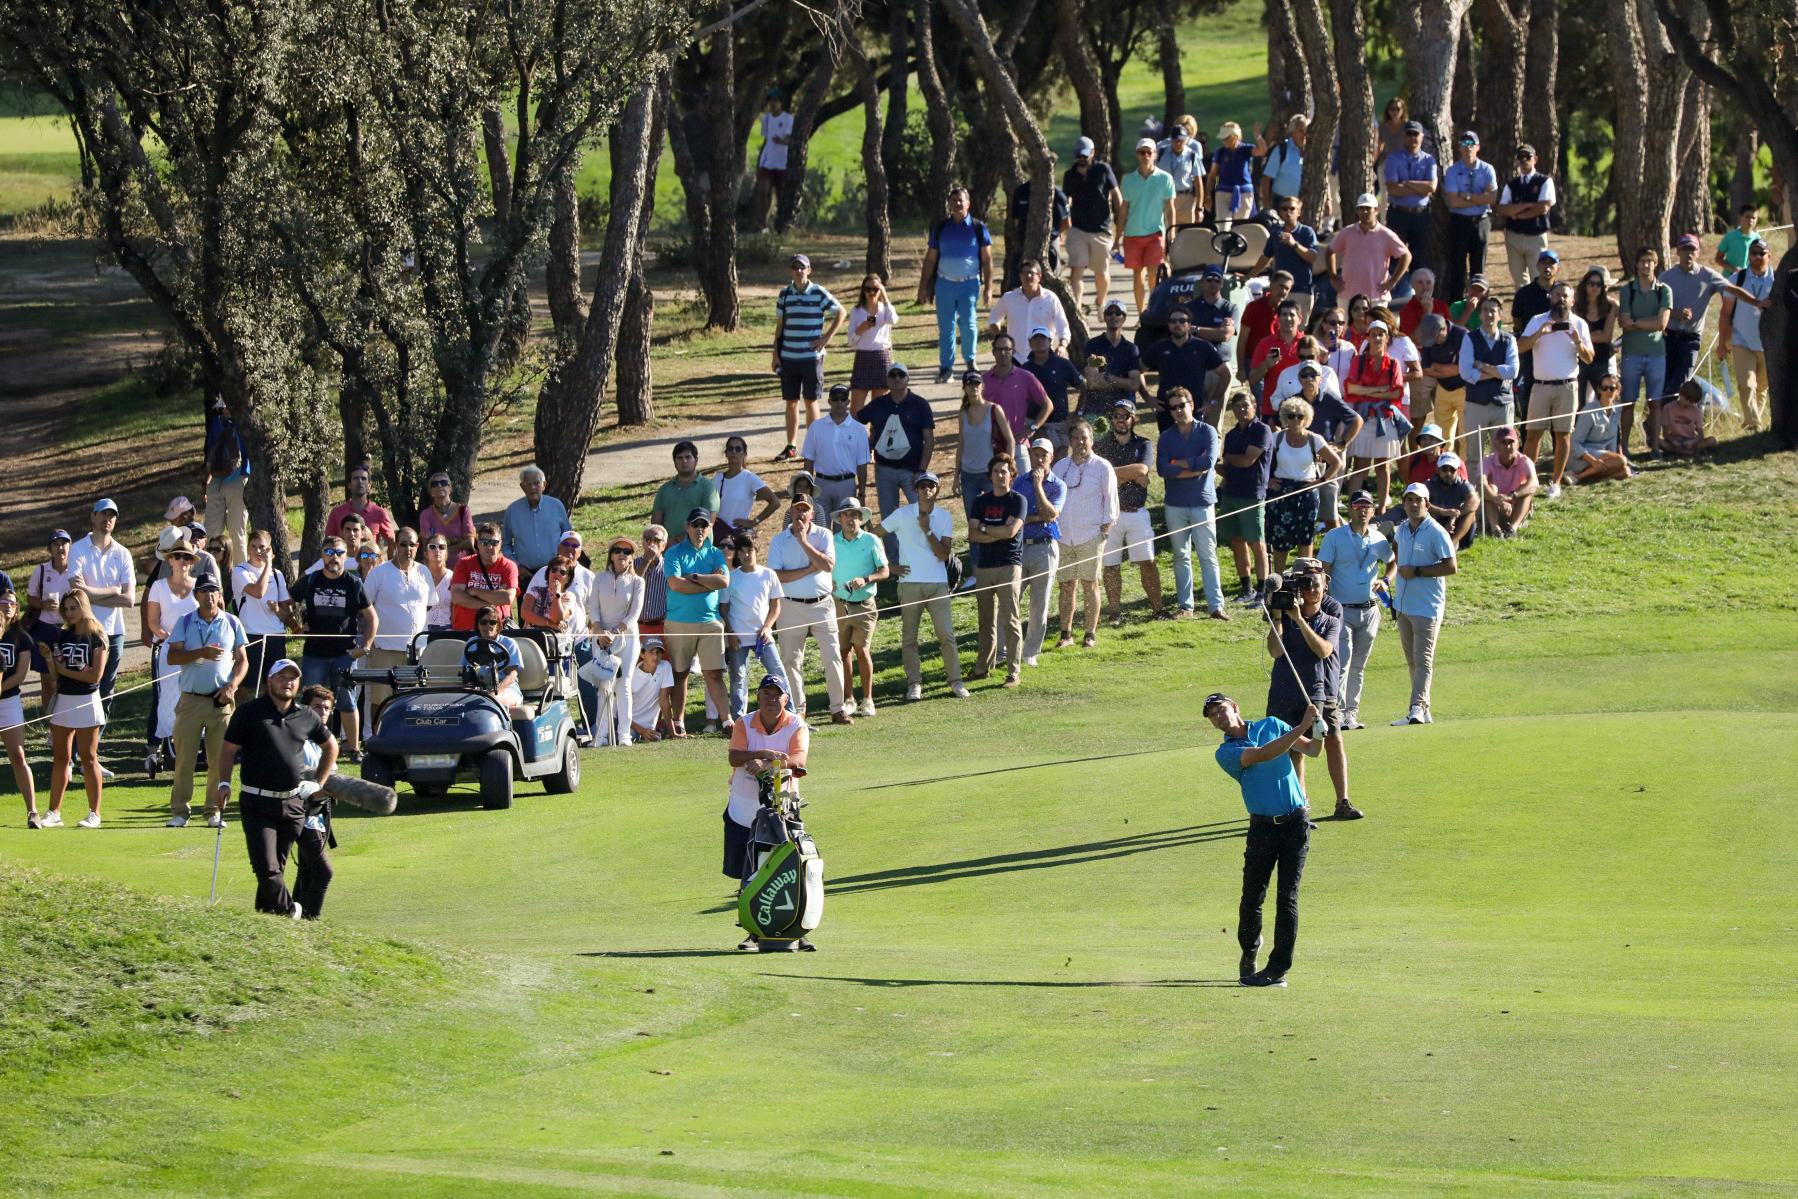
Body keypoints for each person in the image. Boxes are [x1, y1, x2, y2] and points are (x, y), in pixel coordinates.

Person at [1203, 691, 1320, 988]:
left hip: (1295, 824)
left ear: (1234, 707)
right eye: (1212, 715)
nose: (1217, 717)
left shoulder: (1272, 724)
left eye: (1220, 709)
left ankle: (1277, 969)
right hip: (1262, 830)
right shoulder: (1225, 753)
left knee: (1287, 898)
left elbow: (1313, 751)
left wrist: (1319, 730)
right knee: (1252, 898)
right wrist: (1303, 726)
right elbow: (1265, 754)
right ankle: (1250, 950)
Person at [216, 657, 336, 918]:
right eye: (281, 677)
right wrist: (223, 783)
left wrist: (318, 783)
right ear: (269, 680)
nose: (287, 682)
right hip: (256, 802)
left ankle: (267, 915)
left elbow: (331, 747)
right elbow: (227, 751)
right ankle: (289, 910)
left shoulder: (305, 715)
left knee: (276, 868)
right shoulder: (249, 712)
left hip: (293, 804)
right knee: (266, 867)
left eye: (292, 678)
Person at [724, 674, 812, 950]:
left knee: (789, 869)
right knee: (747, 872)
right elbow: (734, 757)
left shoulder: (797, 725)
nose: (772, 700)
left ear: (786, 699)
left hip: (783, 809)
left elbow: (798, 760)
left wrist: (768, 762)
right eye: (766, 695)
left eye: (777, 695)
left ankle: (796, 930)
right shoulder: (745, 723)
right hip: (743, 808)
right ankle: (752, 931)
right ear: (758, 697)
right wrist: (760, 754)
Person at [1264, 567, 1360, 819]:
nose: (1310, 589)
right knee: (1294, 750)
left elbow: (1324, 650)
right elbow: (1274, 651)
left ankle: (1342, 801)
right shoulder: (1283, 617)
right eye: (1305, 584)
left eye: (1315, 584)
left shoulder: (1330, 618)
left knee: (1331, 740)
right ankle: (1300, 808)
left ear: (1325, 586)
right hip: (1285, 690)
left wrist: (1299, 621)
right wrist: (1277, 616)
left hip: (1318, 691)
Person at [162, 574, 248, 828]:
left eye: (214, 591)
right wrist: (202, 653)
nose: (209, 595)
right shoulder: (185, 621)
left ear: (220, 595)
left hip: (220, 701)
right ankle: (179, 811)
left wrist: (232, 686)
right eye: (204, 591)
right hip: (190, 700)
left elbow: (243, 660)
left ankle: (213, 811)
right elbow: (172, 658)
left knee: (219, 760)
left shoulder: (232, 622)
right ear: (196, 595)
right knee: (184, 759)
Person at [881, 472, 966, 700]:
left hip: (937, 584)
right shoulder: (902, 514)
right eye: (921, 486)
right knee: (909, 638)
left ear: (937, 490)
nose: (926, 490)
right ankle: (914, 684)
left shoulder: (945, 517)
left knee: (946, 635)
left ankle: (956, 681)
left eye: (931, 486)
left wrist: (927, 529)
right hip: (909, 584)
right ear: (916, 490)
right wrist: (888, 566)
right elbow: (872, 536)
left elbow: (943, 554)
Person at [767, 498, 852, 725]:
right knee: (791, 661)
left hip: (822, 605)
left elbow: (827, 566)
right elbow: (776, 576)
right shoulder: (779, 540)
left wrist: (804, 542)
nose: (801, 515)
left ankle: (838, 708)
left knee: (833, 657)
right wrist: (808, 568)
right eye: (797, 510)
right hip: (790, 605)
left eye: (805, 511)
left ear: (812, 514)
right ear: (791, 512)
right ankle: (798, 710)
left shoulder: (823, 535)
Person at [289, 536, 375, 759]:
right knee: (309, 702)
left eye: (338, 552)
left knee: (347, 701)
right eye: (329, 552)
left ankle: (353, 749)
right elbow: (285, 602)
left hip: (345, 654)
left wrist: (364, 646)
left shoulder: (354, 583)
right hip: (314, 654)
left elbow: (372, 618)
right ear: (322, 555)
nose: (334, 557)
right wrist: (296, 626)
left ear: (346, 556)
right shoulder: (310, 580)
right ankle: (307, 747)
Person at [1316, 489, 1392, 733]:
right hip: (1342, 611)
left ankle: (1351, 714)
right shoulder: (1334, 536)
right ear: (1350, 509)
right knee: (1344, 662)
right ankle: (1335, 713)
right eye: (1358, 506)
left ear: (1372, 510)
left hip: (1370, 610)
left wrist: (1386, 581)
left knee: (1359, 665)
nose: (1362, 510)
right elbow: (1323, 570)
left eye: (1367, 506)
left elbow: (1393, 562)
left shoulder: (1379, 538)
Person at [38, 590, 110, 828]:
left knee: (89, 759)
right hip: (64, 700)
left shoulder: (98, 636)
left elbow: (94, 676)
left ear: (84, 607)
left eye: (73, 608)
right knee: (61, 758)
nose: (69, 613)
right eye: (66, 609)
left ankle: (94, 814)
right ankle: (54, 812)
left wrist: (64, 670)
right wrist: (49, 659)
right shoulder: (63, 635)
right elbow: (55, 675)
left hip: (87, 701)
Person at [1662, 233, 1766, 396]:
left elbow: (1733, 290)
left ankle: (1668, 417)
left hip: (1691, 339)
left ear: (1698, 253)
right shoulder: (1666, 277)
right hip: (1667, 336)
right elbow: (1655, 306)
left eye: (1692, 250)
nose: (1688, 254)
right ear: (1677, 252)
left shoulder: (1708, 276)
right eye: (1684, 250)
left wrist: (1757, 302)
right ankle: (1656, 418)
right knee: (1663, 382)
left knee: (1679, 383)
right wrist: (1675, 313)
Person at [1518, 280, 1594, 498]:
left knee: (1563, 436)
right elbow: (1520, 346)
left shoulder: (1579, 324)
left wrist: (1578, 342)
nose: (1561, 299)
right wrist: (1539, 334)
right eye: (1557, 294)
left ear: (1572, 300)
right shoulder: (1537, 320)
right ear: (1550, 297)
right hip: (1540, 386)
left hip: (1567, 386)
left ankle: (1555, 482)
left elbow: (1589, 359)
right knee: (1532, 435)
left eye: (1565, 295)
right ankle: (1527, 481)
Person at [1391, 482, 1458, 725]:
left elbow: (1451, 566)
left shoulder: (1436, 532)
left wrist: (1417, 571)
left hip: (1427, 607)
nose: (1413, 504)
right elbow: (1396, 551)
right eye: (1409, 500)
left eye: (1418, 500)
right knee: (1412, 661)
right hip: (1404, 606)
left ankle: (1416, 707)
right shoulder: (1402, 530)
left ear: (1427, 504)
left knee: (1423, 659)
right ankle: (1423, 708)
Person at [1156, 387, 1226, 619]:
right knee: (1180, 555)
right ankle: (1186, 606)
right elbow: (1163, 469)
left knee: (1207, 554)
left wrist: (1179, 465)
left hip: (1202, 502)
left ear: (1191, 404)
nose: (1177, 411)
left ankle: (1216, 606)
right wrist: (1192, 467)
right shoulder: (1166, 436)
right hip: (1175, 504)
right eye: (1173, 407)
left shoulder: (1207, 431)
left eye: (1181, 405)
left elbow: (1208, 461)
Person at [1096, 399, 1166, 624]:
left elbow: (1143, 470)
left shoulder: (1144, 444)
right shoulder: (1100, 445)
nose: (1120, 419)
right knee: (1110, 566)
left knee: (1148, 563)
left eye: (1125, 415)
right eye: (1116, 415)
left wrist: (1111, 474)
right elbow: (1100, 477)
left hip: (1137, 513)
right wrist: (1132, 475)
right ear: (1111, 419)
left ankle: (1158, 610)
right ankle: (1115, 613)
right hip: (1109, 514)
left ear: (1133, 419)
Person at [662, 509, 731, 736]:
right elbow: (675, 584)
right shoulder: (674, 553)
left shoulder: (715, 553)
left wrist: (696, 577)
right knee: (680, 673)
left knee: (714, 674)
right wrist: (708, 581)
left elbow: (724, 581)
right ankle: (679, 720)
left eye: (704, 525)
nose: (700, 529)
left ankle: (727, 720)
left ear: (709, 528)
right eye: (695, 525)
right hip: (679, 621)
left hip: (710, 621)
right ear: (687, 527)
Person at [772, 253, 847, 462]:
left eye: (802, 267)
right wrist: (775, 354)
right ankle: (791, 446)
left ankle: (815, 446)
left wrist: (826, 338)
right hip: (788, 357)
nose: (798, 271)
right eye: (795, 267)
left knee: (811, 400)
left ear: (809, 270)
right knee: (791, 401)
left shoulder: (818, 292)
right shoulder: (784, 294)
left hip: (811, 357)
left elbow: (841, 312)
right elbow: (780, 327)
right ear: (791, 270)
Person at [68, 499, 133, 731]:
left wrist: (92, 593)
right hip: (85, 630)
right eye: (103, 514)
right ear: (93, 516)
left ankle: (93, 753)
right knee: (82, 691)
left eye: (112, 515)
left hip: (114, 633)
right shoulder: (77, 548)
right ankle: (75, 751)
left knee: (106, 692)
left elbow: (129, 599)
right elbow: (77, 594)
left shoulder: (123, 553)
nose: (108, 519)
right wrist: (113, 590)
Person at [917, 186, 994, 384]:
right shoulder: (941, 228)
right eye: (954, 201)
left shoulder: (978, 227)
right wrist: (923, 286)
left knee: (968, 325)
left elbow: (987, 260)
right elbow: (930, 259)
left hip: (969, 285)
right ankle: (946, 368)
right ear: (949, 205)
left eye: (961, 200)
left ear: (968, 203)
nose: (957, 204)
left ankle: (970, 362)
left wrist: (989, 288)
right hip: (944, 284)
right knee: (946, 328)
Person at [855, 364, 935, 551]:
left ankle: (929, 552)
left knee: (923, 512)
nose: (897, 378)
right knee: (888, 519)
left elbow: (929, 440)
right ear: (887, 380)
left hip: (912, 471)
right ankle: (893, 562)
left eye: (901, 375)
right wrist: (868, 444)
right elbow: (856, 422)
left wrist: (922, 471)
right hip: (884, 470)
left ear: (908, 379)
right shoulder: (879, 404)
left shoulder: (920, 404)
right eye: (893, 375)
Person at [142, 532, 201, 780]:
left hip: (195, 651)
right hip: (167, 651)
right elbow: (153, 622)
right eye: (178, 557)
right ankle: (163, 746)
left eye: (187, 558)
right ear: (170, 560)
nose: (183, 561)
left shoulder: (199, 586)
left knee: (194, 696)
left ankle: (193, 749)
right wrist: (171, 640)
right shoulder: (158, 586)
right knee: (166, 699)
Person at [1266, 397, 1342, 573]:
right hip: (1281, 492)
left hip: (1307, 492)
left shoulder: (1314, 439)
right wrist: (1268, 481)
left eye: (1300, 416)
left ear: (1306, 417)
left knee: (1305, 538)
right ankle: (1278, 581)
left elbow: (1336, 462)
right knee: (1280, 540)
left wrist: (1320, 482)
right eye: (1291, 416)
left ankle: (1304, 579)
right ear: (1284, 417)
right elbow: (1261, 463)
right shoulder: (1276, 438)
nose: (1295, 420)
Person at [969, 454, 1026, 687]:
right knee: (985, 621)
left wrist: (985, 529)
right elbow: (972, 535)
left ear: (1011, 475)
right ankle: (983, 667)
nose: (1000, 475)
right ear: (990, 475)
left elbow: (1010, 532)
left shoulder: (1017, 500)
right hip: (984, 566)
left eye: (1004, 471)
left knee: (1010, 619)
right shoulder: (980, 502)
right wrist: (994, 530)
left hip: (1008, 564)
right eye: (996, 471)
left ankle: (1013, 672)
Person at [361, 529, 431, 717]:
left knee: (412, 700)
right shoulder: (379, 573)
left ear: (418, 546)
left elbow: (430, 604)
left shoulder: (424, 571)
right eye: (403, 544)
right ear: (395, 546)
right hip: (384, 648)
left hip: (416, 650)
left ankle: (408, 742)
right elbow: (364, 607)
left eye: (412, 544)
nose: (408, 548)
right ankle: (378, 742)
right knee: (381, 700)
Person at [1217, 391, 1276, 605]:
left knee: (1256, 543)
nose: (1242, 409)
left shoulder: (1262, 430)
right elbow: (1227, 467)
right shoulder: (1232, 435)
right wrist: (1216, 464)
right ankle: (1246, 588)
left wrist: (1229, 459)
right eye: (1237, 406)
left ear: (1254, 406)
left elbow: (1246, 461)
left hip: (1252, 495)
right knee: (1236, 541)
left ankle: (1263, 591)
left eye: (1245, 405)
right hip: (1231, 493)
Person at [830, 498, 887, 715]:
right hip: (838, 603)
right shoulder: (833, 541)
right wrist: (828, 581)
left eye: (854, 515)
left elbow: (885, 571)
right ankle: (849, 699)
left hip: (864, 604)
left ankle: (868, 700)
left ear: (860, 518)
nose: (850, 519)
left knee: (862, 650)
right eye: (846, 515)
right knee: (843, 652)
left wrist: (866, 578)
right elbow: (824, 567)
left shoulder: (872, 540)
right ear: (840, 519)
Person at [1457, 295, 1521, 488]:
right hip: (1476, 403)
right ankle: (1474, 495)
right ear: (1480, 314)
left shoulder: (1509, 339)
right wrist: (1497, 373)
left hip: (1503, 404)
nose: (1489, 314)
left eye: (1493, 310)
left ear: (1500, 315)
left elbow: (1513, 372)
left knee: (1504, 452)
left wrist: (1483, 367)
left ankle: (1501, 492)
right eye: (1485, 310)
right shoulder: (1470, 338)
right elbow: (1465, 373)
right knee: (1474, 454)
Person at [721, 536, 786, 726]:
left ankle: (789, 716)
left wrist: (767, 627)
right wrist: (730, 633)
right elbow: (723, 608)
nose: (746, 554)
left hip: (763, 637)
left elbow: (776, 606)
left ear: (757, 551)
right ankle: (739, 721)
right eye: (741, 551)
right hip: (738, 638)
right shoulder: (731, 577)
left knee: (778, 672)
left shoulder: (769, 575)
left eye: (750, 550)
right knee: (738, 678)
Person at [1343, 319, 1406, 510]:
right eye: (1374, 334)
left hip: (1384, 419)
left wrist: (1365, 390)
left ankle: (1382, 507)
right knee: (1360, 466)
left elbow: (1397, 392)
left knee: (1382, 466)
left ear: (1387, 338)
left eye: (1381, 334)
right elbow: (1350, 388)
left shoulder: (1393, 363)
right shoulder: (1359, 361)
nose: (1377, 337)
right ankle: (1355, 506)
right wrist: (1380, 391)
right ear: (1368, 337)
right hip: (1364, 418)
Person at [589, 537, 646, 745]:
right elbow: (593, 607)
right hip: (601, 638)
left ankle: (623, 735)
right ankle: (602, 735)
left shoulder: (638, 582)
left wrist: (614, 632)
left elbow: (634, 615)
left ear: (631, 558)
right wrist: (599, 630)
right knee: (604, 686)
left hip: (627, 639)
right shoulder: (599, 578)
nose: (622, 554)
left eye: (627, 552)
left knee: (623, 685)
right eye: (618, 550)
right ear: (611, 555)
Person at [1014, 438, 1064, 666]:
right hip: (1020, 546)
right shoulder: (1017, 482)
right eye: (1035, 454)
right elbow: (1014, 517)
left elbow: (1051, 515)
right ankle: (1005, 650)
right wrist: (1034, 517)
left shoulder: (1057, 485)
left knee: (1039, 604)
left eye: (1044, 455)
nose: (1039, 459)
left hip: (1045, 547)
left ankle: (1030, 651)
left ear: (1051, 458)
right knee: (1011, 599)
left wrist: (1037, 486)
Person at [1718, 237, 1776, 434]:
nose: (1757, 257)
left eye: (1762, 253)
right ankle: (1754, 424)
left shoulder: (1777, 280)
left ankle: (1754, 427)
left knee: (1762, 387)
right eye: (1753, 253)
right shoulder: (1737, 279)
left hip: (1769, 344)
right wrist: (1722, 341)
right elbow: (1725, 312)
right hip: (1741, 340)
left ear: (1769, 256)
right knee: (1746, 384)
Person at [292, 684, 339, 919]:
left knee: (307, 872)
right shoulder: (298, 739)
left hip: (319, 816)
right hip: (301, 814)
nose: (322, 712)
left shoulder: (327, 741)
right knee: (324, 873)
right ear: (305, 708)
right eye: (317, 707)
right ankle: (312, 921)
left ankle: (291, 917)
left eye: (327, 708)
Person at [1063, 136, 1123, 313]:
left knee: (1101, 273)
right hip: (1078, 230)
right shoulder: (1070, 175)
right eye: (1078, 156)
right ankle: (1076, 309)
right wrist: (1064, 223)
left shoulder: (1103, 169)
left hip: (1101, 230)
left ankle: (1100, 302)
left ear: (1092, 153)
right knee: (1076, 270)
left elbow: (1116, 194)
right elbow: (1066, 200)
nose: (1081, 159)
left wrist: (1121, 218)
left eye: (1084, 155)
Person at [1142, 308, 1228, 430]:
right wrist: (1147, 397)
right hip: (1166, 411)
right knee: (1168, 448)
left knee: (1195, 448)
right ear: (1168, 325)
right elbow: (1138, 371)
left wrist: (1213, 402)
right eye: (1173, 321)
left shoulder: (1203, 347)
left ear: (1189, 325)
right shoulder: (1159, 347)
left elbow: (1225, 375)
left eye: (1182, 320)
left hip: (1194, 410)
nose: (1177, 324)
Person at [1119, 137, 1177, 313]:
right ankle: (1140, 313)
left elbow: (1170, 209)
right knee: (1138, 275)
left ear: (1155, 155)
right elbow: (1124, 209)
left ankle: (1152, 310)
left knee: (1153, 274)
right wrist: (1117, 236)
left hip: (1155, 233)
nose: (1145, 155)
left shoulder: (1165, 178)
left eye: (1149, 152)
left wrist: (1171, 233)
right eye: (1142, 152)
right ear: (1137, 155)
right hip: (1132, 233)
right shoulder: (1128, 180)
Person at [27, 528, 82, 711]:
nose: (60, 548)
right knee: (48, 681)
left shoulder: (77, 571)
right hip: (45, 628)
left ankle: (66, 720)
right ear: (49, 549)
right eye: (56, 544)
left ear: (70, 546)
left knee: (68, 678)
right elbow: (30, 598)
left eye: (64, 543)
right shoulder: (41, 570)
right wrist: (43, 604)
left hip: (69, 628)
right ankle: (50, 721)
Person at [1440, 130, 1498, 301]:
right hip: (1459, 222)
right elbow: (1453, 201)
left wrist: (1467, 196)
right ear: (1459, 148)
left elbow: (1492, 197)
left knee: (1478, 269)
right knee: (1457, 267)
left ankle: (1478, 307)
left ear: (1478, 147)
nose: (1468, 148)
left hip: (1481, 221)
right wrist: (1480, 198)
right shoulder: (1452, 171)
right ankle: (1456, 307)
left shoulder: (1487, 169)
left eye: (1471, 144)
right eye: (1464, 144)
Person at [802, 385, 873, 517]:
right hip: (821, 484)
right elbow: (808, 461)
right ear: (829, 401)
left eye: (843, 398)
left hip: (847, 484)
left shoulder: (859, 430)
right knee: (820, 528)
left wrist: (862, 492)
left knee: (845, 531)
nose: (839, 402)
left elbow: (862, 464)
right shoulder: (816, 427)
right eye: (835, 398)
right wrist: (807, 490)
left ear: (848, 402)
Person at [1328, 194, 1411, 308]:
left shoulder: (1386, 234)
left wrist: (1393, 281)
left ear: (1376, 210)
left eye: (1368, 208)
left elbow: (1406, 255)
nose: (1364, 212)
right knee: (1346, 326)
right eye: (1361, 208)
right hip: (1348, 295)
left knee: (1377, 326)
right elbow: (1329, 251)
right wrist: (1333, 278)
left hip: (1377, 295)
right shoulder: (1347, 232)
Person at [232, 530, 291, 689]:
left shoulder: (277, 575)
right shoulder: (240, 571)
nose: (258, 551)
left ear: (269, 549)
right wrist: (268, 566)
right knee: (248, 687)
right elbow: (258, 592)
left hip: (275, 635)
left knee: (273, 685)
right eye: (253, 546)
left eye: (262, 547)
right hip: (251, 634)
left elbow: (287, 610)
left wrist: (279, 610)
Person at [1381, 120, 1438, 277]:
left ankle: (1416, 296)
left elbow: (1431, 187)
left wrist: (1406, 183)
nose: (1412, 137)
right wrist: (1419, 188)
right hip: (1398, 214)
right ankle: (1392, 294)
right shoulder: (1393, 159)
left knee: (1420, 258)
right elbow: (1392, 189)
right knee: (1393, 257)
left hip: (1421, 215)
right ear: (1404, 136)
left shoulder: (1429, 160)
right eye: (1409, 134)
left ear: (1422, 137)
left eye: (1416, 134)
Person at [1252, 196, 1321, 323]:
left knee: (1298, 332)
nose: (1288, 211)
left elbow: (1312, 257)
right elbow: (1266, 257)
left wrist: (1294, 244)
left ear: (1298, 212)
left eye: (1292, 208)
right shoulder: (1275, 232)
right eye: (1284, 209)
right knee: (1276, 327)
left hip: (1301, 290)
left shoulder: (1307, 232)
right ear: (1280, 213)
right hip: (1279, 291)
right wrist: (1248, 276)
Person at [1496, 144, 1556, 290]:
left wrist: (1517, 213)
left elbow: (1543, 207)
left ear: (1535, 159)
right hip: (1513, 237)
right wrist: (1527, 205)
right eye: (1520, 157)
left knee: (1538, 276)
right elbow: (1502, 209)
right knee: (1519, 279)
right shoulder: (1512, 184)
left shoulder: (1544, 181)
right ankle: (1524, 311)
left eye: (1527, 157)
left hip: (1535, 237)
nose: (1524, 160)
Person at [201, 397, 252, 568]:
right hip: (222, 480)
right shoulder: (219, 423)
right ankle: (211, 573)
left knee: (236, 533)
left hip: (235, 479)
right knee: (214, 533)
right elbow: (212, 453)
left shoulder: (238, 423)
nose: (226, 410)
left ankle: (240, 575)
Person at [1511, 248, 1561, 420]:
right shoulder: (1524, 293)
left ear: (1557, 269)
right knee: (1530, 398)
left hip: (1559, 351)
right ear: (1537, 266)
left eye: (1551, 264)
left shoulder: (1563, 293)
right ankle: (1526, 442)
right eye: (1544, 263)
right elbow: (1517, 320)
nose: (1547, 267)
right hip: (1532, 350)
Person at [982, 332, 1053, 449]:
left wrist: (1032, 428)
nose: (1003, 353)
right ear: (993, 352)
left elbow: (1048, 405)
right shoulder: (983, 380)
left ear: (1013, 351)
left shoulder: (1026, 377)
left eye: (1007, 349)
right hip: (990, 444)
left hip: (1018, 443)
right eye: (999, 349)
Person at [987, 258, 1070, 354]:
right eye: (1024, 273)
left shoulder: (1050, 299)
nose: (1028, 276)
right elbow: (993, 319)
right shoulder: (1009, 298)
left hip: (1043, 357)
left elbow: (1063, 326)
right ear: (1020, 276)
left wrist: (1062, 346)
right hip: (1016, 357)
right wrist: (1001, 338)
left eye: (1032, 273)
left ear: (1039, 276)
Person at [1004, 172, 1071, 288]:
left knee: (1051, 276)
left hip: (1049, 242)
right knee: (1019, 276)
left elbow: (1067, 223)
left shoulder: (1057, 193)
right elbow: (1016, 220)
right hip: (1024, 241)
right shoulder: (1021, 191)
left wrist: (1054, 235)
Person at [501, 465, 569, 579]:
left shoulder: (556, 506)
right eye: (528, 484)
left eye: (537, 483)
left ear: (544, 485)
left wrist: (563, 561)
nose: (533, 487)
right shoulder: (512, 511)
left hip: (556, 571)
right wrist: (516, 566)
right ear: (522, 486)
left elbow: (568, 537)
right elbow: (505, 544)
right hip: (526, 575)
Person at [1566, 374, 1635, 484]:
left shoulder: (1617, 410)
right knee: (1622, 460)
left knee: (1625, 472)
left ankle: (1590, 476)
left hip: (1604, 456)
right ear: (1599, 390)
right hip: (1582, 456)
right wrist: (1593, 461)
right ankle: (1579, 476)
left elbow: (1612, 439)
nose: (1608, 391)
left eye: (1612, 388)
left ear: (1617, 391)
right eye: (1604, 388)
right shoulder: (1589, 410)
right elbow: (1574, 442)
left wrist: (1614, 460)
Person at [450, 522, 518, 632]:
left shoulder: (509, 566)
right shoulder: (464, 564)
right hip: (465, 631)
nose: (489, 547)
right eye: (485, 542)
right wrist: (491, 604)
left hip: (496, 632)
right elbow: (457, 596)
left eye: (494, 542)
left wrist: (475, 591)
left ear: (500, 544)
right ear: (478, 543)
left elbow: (507, 598)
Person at [711, 435, 781, 541]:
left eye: (738, 449)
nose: (734, 452)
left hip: (738, 535)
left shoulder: (749, 478)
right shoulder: (717, 478)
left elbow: (775, 502)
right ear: (726, 453)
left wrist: (754, 522)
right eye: (730, 448)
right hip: (717, 535)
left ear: (744, 454)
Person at [1081, 300, 1144, 418]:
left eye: (1118, 313)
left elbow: (1135, 384)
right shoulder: (1093, 345)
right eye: (1109, 313)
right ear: (1104, 317)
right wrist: (1123, 382)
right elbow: (1093, 383)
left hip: (1124, 410)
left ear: (1124, 318)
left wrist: (1108, 378)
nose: (1113, 316)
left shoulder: (1131, 349)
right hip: (1097, 409)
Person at [846, 274, 898, 412]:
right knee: (856, 408)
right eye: (867, 289)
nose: (871, 293)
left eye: (875, 289)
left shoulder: (885, 309)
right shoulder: (857, 311)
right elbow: (850, 341)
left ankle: (876, 434)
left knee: (880, 407)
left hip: (881, 357)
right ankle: (857, 434)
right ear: (863, 290)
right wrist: (860, 329)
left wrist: (885, 296)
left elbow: (893, 319)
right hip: (862, 357)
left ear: (880, 289)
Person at [1246, 293, 1305, 416]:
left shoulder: (1307, 343)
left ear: (1300, 319)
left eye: (1292, 315)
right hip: (1273, 408)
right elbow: (1252, 379)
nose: (1288, 318)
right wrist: (1266, 365)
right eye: (1284, 314)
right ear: (1277, 319)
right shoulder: (1265, 344)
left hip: (1302, 408)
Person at [1414, 314, 1467, 443]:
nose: (1432, 342)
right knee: (1442, 437)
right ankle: (1443, 462)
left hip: (1465, 389)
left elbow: (1461, 369)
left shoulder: (1462, 336)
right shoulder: (1429, 337)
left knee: (1466, 436)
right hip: (1443, 389)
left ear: (1443, 329)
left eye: (1435, 338)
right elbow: (1426, 369)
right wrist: (1448, 368)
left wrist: (1436, 366)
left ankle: (1466, 463)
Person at [1479, 426, 1538, 538]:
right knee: (1490, 488)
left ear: (1517, 444)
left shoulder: (1524, 460)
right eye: (1503, 442)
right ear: (1496, 445)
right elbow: (1480, 483)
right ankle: (1495, 529)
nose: (1508, 446)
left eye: (1511, 442)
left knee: (1527, 491)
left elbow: (1534, 483)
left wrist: (1513, 495)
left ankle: (1512, 529)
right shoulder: (1487, 461)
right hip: (1494, 506)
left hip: (1516, 506)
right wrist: (1497, 500)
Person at [461, 606, 524, 710]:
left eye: (492, 622)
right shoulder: (471, 643)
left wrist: (495, 690)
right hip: (477, 688)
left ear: (498, 624)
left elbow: (512, 676)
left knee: (490, 699)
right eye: (483, 622)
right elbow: (465, 671)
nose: (488, 626)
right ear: (477, 625)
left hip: (506, 688)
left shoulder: (509, 643)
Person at [652, 440, 721, 533]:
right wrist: (667, 542)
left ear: (696, 460)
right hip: (668, 546)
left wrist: (681, 541)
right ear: (674, 462)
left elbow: (708, 523)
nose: (684, 461)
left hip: (698, 545)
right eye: (679, 458)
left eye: (688, 457)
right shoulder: (664, 489)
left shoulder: (708, 488)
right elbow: (656, 524)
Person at [1572, 267, 1618, 407]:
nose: (1595, 287)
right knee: (1579, 402)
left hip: (1603, 359)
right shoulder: (1575, 306)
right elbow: (1572, 335)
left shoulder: (1611, 305)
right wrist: (1595, 335)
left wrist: (1583, 337)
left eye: (1600, 285)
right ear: (1584, 285)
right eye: (1591, 283)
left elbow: (1606, 337)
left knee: (1604, 400)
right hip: (1580, 359)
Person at [324, 462, 397, 550]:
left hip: (370, 562)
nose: (360, 481)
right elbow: (328, 545)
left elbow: (392, 541)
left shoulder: (379, 513)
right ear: (349, 485)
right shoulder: (336, 513)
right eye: (355, 478)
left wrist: (387, 563)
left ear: (369, 486)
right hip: (344, 563)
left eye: (363, 478)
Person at [751, 87, 792, 230]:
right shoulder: (766, 119)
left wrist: (781, 141)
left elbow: (788, 139)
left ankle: (781, 224)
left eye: (775, 101)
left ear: (781, 102)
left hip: (782, 162)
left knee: (781, 195)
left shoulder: (787, 119)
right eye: (770, 101)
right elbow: (766, 139)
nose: (772, 104)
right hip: (767, 161)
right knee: (763, 190)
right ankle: (762, 223)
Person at [1205, 122, 1256, 227]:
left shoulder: (1245, 149)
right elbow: (1212, 175)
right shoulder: (1220, 152)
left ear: (1235, 137)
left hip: (1244, 193)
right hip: (1224, 192)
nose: (1224, 141)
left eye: (1226, 138)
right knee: (1223, 225)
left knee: (1240, 226)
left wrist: (1258, 136)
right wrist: (1208, 195)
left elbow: (1262, 150)